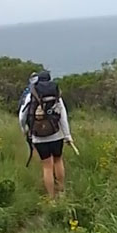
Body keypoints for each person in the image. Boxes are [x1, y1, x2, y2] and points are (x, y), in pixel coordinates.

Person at [19, 70, 73, 199]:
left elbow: (22, 115)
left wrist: (25, 130)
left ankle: (51, 197)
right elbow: (63, 117)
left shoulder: (31, 94)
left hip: (39, 137)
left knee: (47, 166)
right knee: (58, 161)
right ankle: (61, 192)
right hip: (57, 134)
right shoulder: (56, 94)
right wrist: (67, 135)